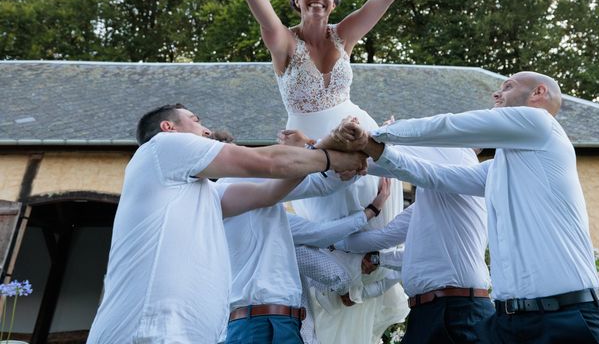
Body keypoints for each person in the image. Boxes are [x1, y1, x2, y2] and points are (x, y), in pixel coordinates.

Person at [199, 0, 449, 341]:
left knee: (371, 236)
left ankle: (371, 295)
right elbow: (262, 17)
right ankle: (335, 315)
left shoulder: (345, 34)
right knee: (334, 244)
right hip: (317, 155)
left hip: (360, 135)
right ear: (296, 0)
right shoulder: (285, 44)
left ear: (333, 1)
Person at [332, 72, 599, 343]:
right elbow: (432, 176)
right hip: (509, 323)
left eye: (507, 86)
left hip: (569, 316)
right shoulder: (494, 171)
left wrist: (379, 133)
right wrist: (373, 151)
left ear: (538, 92)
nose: (496, 94)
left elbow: (450, 126)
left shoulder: (542, 124)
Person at [86, 104, 365, 344]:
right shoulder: (163, 147)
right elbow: (267, 163)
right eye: (196, 121)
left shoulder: (209, 194)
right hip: (148, 332)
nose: (207, 130)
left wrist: (325, 147)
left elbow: (270, 192)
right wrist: (333, 157)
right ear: (168, 126)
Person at [335, 144, 495, 344]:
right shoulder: (431, 200)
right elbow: (386, 237)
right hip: (435, 310)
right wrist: (332, 241)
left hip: (455, 312)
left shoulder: (458, 154)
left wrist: (336, 157)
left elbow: (392, 161)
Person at [221, 175, 390, 344]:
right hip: (276, 322)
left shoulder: (216, 220)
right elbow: (321, 236)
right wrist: (371, 211)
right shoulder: (275, 219)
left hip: (236, 324)